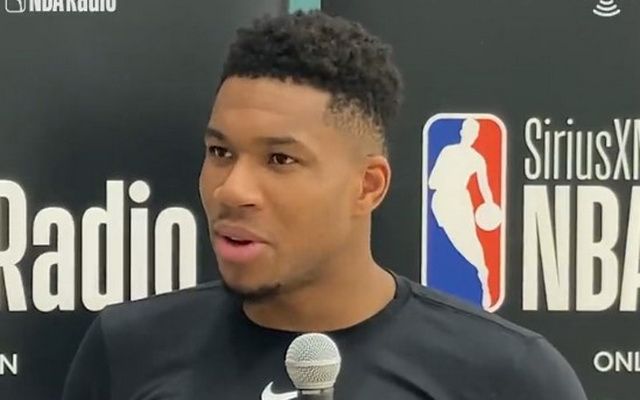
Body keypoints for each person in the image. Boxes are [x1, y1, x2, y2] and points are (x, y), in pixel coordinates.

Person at [62, 11, 587, 400]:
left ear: (368, 186)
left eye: (280, 160)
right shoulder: (127, 350)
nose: (232, 190)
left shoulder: (510, 376)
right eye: (220, 152)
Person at [428, 118, 497, 309]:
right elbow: (432, 182)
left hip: (461, 202)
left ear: (476, 135)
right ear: (462, 132)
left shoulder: (477, 159)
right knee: (448, 243)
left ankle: (483, 277)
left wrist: (489, 204)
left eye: (473, 132)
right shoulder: (448, 151)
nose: (470, 135)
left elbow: (485, 187)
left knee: (470, 243)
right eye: (468, 130)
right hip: (442, 202)